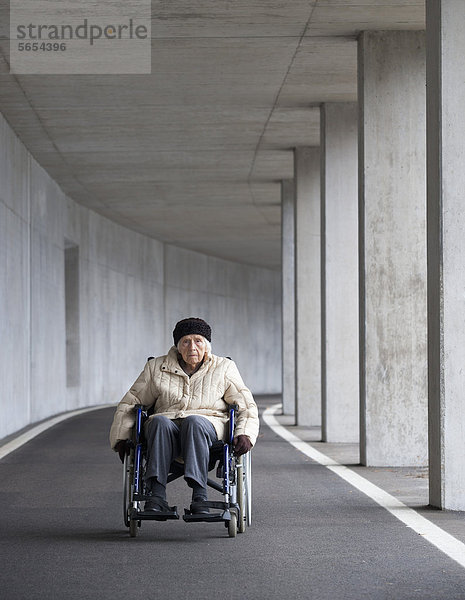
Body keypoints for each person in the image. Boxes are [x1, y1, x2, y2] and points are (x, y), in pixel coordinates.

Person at [110, 317, 259, 515]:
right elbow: (131, 402)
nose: (192, 347)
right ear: (177, 346)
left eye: (198, 341)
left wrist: (245, 434)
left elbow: (246, 405)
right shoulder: (156, 367)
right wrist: (122, 437)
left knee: (194, 421)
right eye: (186, 341)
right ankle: (156, 496)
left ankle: (200, 496)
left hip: (208, 425)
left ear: (207, 345)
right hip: (166, 426)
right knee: (158, 421)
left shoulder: (224, 368)